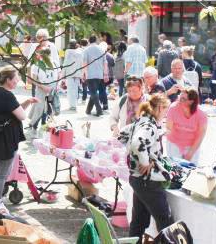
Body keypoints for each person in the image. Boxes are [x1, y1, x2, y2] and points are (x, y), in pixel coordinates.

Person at [118, 94, 173, 240]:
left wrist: (146, 156)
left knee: (139, 222)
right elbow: (138, 143)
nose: (166, 114)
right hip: (148, 181)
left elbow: (122, 134)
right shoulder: (149, 125)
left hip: (138, 179)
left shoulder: (141, 121)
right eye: (165, 110)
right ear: (160, 108)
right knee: (165, 222)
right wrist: (145, 161)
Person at [0, 67, 38, 200]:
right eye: (16, 79)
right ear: (8, 80)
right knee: (2, 174)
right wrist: (26, 106)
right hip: (4, 138)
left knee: (2, 172)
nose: (18, 81)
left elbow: (14, 111)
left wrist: (27, 102)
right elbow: (21, 116)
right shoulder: (6, 95)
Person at [165, 88, 207, 163]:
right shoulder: (173, 108)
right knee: (174, 169)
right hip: (174, 143)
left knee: (191, 169)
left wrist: (190, 153)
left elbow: (201, 135)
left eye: (183, 99)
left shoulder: (201, 114)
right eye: (179, 97)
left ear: (191, 102)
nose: (179, 101)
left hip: (192, 145)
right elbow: (168, 129)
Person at [29, 48, 59, 131]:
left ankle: (45, 125)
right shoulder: (37, 64)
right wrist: (43, 87)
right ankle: (34, 125)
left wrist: (56, 86)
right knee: (39, 107)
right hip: (41, 88)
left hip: (52, 89)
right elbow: (33, 80)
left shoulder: (55, 63)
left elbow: (58, 75)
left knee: (49, 107)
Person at [83, 35, 106, 116]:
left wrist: (84, 73)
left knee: (93, 92)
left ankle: (99, 110)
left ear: (89, 41)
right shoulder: (102, 49)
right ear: (96, 40)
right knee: (94, 92)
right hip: (99, 74)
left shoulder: (86, 50)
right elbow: (105, 62)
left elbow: (85, 63)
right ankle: (88, 110)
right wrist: (105, 73)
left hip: (90, 73)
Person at [63, 39, 83, 110]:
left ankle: (72, 105)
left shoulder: (68, 52)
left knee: (70, 90)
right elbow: (81, 63)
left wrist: (63, 74)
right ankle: (75, 104)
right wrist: (82, 73)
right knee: (75, 89)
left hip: (70, 73)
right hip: (77, 73)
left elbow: (65, 62)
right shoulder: (80, 52)